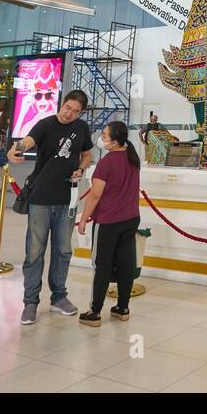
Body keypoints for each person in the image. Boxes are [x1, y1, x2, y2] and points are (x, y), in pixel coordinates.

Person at [7, 90, 93, 326]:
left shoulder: (82, 128)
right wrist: (16, 149)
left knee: (64, 250)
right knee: (35, 251)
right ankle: (30, 302)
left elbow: (87, 154)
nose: (69, 114)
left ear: (81, 113)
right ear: (62, 103)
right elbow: (28, 141)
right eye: (67, 108)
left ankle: (59, 297)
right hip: (41, 199)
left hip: (67, 198)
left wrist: (81, 169)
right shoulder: (45, 124)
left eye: (76, 112)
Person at [76, 120, 142, 326]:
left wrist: (83, 218)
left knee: (102, 265)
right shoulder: (133, 158)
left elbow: (95, 195)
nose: (101, 139)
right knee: (125, 264)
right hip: (130, 218)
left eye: (104, 136)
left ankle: (95, 311)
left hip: (109, 221)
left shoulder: (106, 163)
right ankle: (123, 307)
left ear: (114, 142)